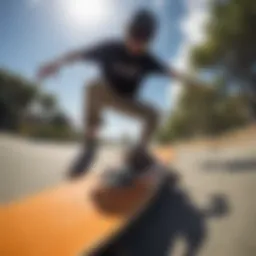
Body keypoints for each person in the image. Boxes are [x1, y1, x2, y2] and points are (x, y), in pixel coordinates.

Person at [37, 9, 195, 180]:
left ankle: (139, 153)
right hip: (107, 94)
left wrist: (193, 83)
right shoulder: (110, 48)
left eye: (143, 39)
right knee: (92, 86)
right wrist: (55, 63)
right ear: (126, 31)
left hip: (128, 102)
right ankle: (90, 145)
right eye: (134, 36)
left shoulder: (148, 60)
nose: (136, 43)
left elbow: (171, 73)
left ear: (150, 40)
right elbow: (78, 54)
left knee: (154, 113)